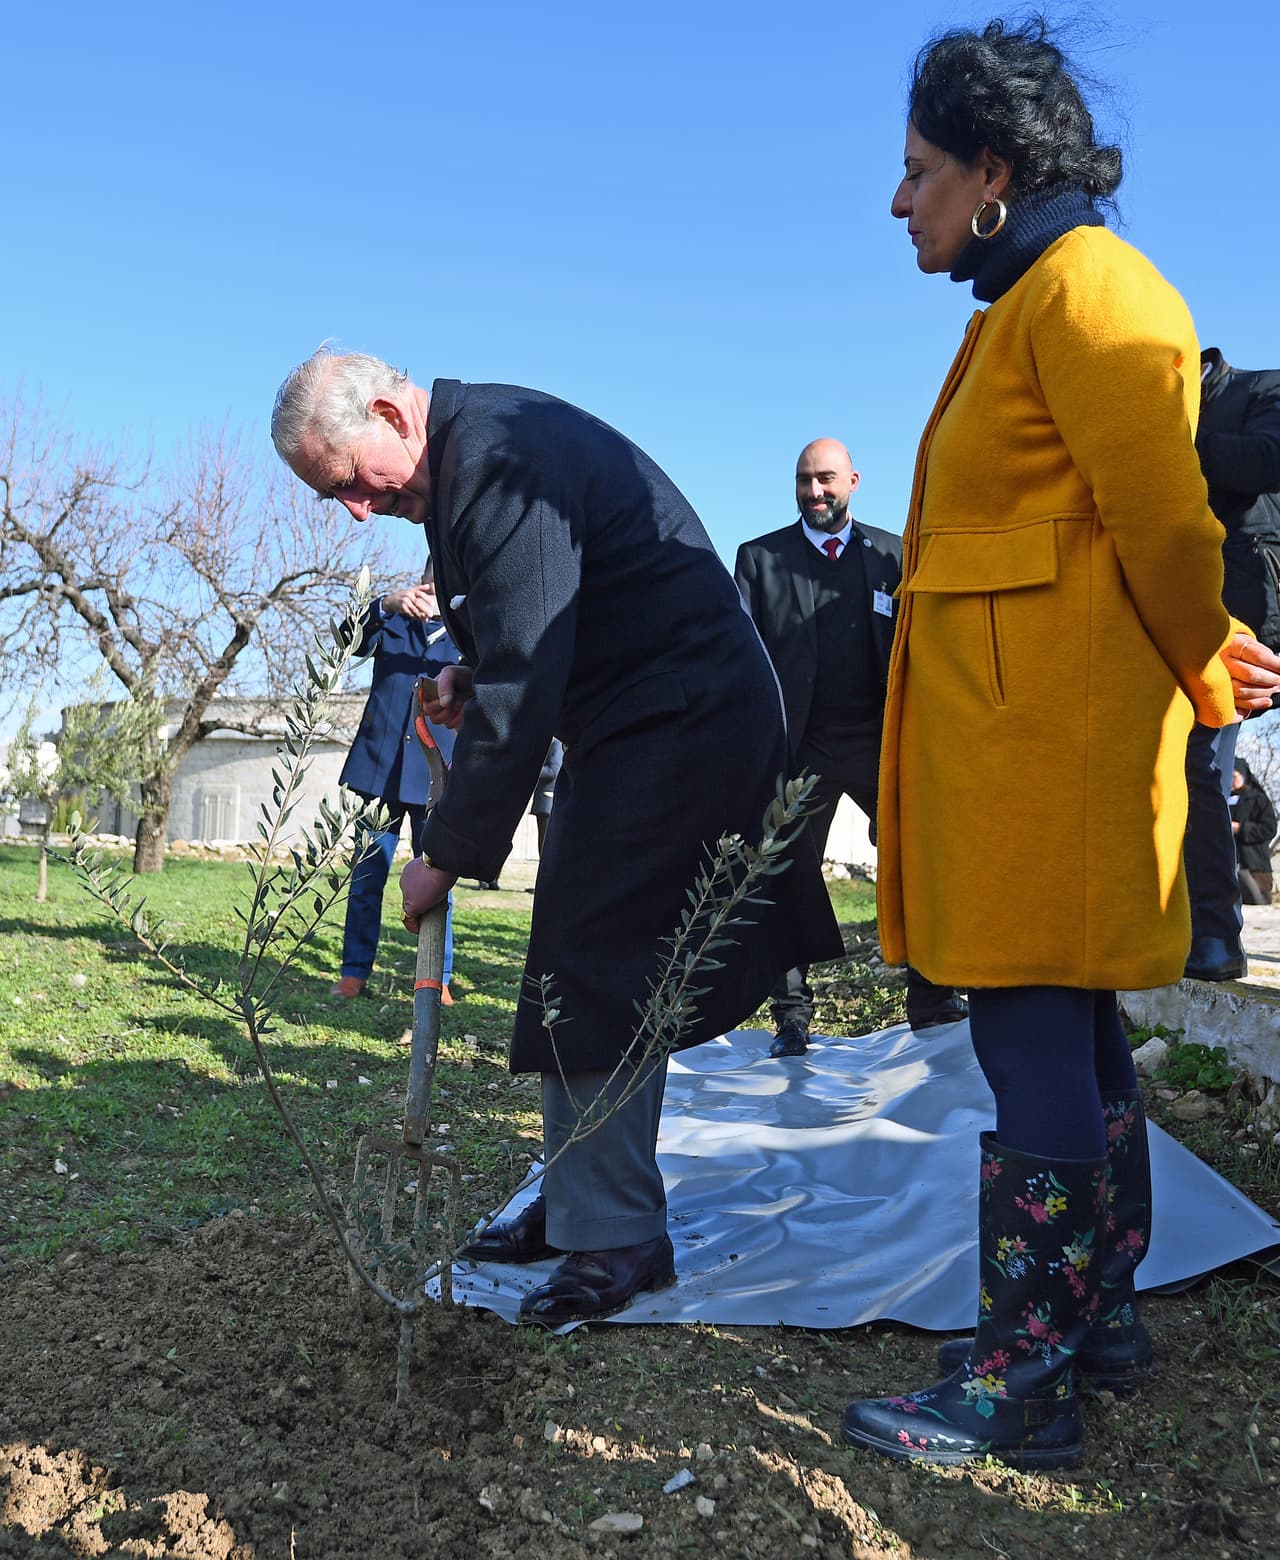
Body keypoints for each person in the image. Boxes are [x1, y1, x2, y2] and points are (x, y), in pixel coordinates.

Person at [839, 18, 1280, 1471]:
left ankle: (1024, 1380)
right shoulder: (1033, 302)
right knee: (1074, 1045)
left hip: (1057, 767)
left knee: (1033, 1043)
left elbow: (1167, 527)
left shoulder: (1096, 294)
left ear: (994, 170)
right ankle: (1093, 1321)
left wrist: (1211, 671)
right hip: (1031, 755)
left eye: (917, 172)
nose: (900, 200)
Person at [270, 349, 843, 1329]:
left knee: (598, 955)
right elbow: (535, 619)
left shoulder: (494, 455)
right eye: (337, 502)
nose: (356, 512)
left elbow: (531, 674)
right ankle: (585, 1204)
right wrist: (470, 670)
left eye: (346, 485)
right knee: (576, 957)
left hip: (685, 718)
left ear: (385, 413)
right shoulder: (467, 457)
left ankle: (616, 1234)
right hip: (644, 717)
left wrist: (442, 851)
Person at [735, 439, 967, 1055]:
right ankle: (791, 1016)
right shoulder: (759, 560)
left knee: (917, 859)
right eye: (805, 480)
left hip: (879, 742)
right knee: (785, 870)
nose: (816, 492)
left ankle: (934, 997)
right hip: (799, 747)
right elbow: (742, 661)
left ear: (854, 481)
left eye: (827, 479)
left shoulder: (894, 556)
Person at [1182, 348, 1280, 977]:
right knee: (1200, 769)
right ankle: (1214, 939)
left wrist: (1181, 445)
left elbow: (1270, 458)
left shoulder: (1261, 390)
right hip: (1203, 627)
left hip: (1263, 611)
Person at [332, 564, 460, 1002]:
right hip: (379, 773)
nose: (433, 590)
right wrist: (385, 602)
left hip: (436, 780)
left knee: (437, 881)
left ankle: (437, 977)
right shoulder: (392, 621)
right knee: (366, 878)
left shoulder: (469, 636)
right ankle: (354, 972)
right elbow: (346, 638)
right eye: (430, 580)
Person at [1232, 758, 1278, 905]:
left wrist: (1240, 828)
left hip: (1255, 866)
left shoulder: (1259, 799)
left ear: (1244, 775)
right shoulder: (1224, 799)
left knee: (1258, 907)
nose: (1231, 781)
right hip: (1230, 864)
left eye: (1234, 776)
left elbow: (1269, 829)